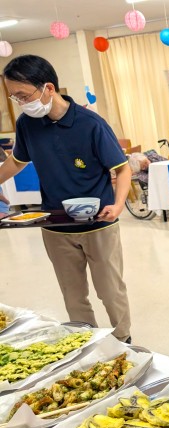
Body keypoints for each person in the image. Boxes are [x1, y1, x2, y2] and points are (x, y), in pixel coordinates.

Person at [0, 55, 133, 342]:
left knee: (110, 290)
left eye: (23, 95)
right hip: (55, 225)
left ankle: (124, 340)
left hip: (99, 224)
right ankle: (86, 341)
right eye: (14, 97)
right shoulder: (26, 124)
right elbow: (17, 161)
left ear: (48, 88)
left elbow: (123, 169)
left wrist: (118, 204)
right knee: (73, 294)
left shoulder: (91, 124)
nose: (20, 103)